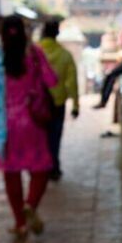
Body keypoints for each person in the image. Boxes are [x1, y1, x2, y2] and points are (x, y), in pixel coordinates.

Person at [0, 15, 58, 238]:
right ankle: (30, 204)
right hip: (32, 123)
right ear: (24, 33)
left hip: (5, 128)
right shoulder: (33, 54)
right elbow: (53, 80)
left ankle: (20, 223)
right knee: (40, 169)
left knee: (11, 175)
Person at [38, 19, 80, 181]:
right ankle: (53, 166)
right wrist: (75, 105)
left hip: (36, 104)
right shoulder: (64, 55)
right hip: (57, 102)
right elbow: (72, 82)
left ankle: (41, 167)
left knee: (40, 137)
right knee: (54, 136)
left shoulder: (34, 53)